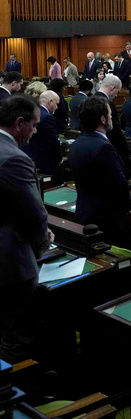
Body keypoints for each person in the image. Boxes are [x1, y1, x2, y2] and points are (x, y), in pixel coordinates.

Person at [0, 95, 52, 362]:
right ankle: (20, 397)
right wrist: (45, 242)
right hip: (11, 262)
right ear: (19, 123)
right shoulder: (14, 158)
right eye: (34, 124)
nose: (35, 130)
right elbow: (34, 214)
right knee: (17, 335)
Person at [70, 96, 131, 246]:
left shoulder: (77, 143)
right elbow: (119, 184)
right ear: (103, 120)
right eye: (110, 115)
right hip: (106, 220)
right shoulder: (104, 147)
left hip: (84, 212)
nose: (112, 118)